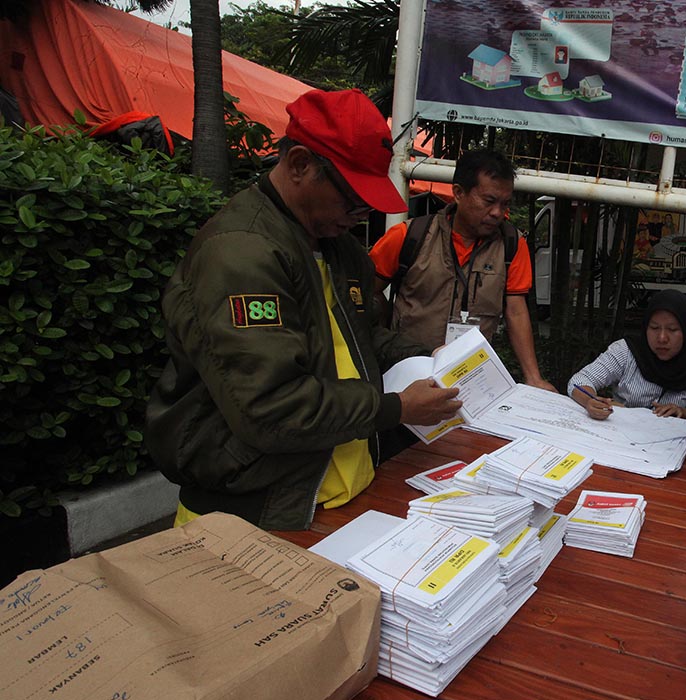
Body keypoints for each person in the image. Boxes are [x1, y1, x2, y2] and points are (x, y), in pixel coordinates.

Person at [146, 89, 462, 531]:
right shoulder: (242, 253)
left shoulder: (338, 248)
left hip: (340, 494)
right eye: (352, 199)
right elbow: (271, 407)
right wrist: (395, 409)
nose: (360, 214)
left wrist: (428, 355)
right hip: (256, 514)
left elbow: (359, 336)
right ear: (299, 165)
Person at [369, 149, 556, 392]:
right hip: (409, 373)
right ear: (458, 193)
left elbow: (516, 311)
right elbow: (364, 292)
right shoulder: (409, 236)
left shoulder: (512, 245)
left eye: (505, 203)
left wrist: (533, 377)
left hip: (471, 379)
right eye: (489, 201)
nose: (497, 213)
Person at [570, 289, 686, 421]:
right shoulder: (627, 351)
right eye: (654, 328)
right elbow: (579, 381)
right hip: (620, 429)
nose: (662, 338)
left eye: (672, 329)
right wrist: (591, 401)